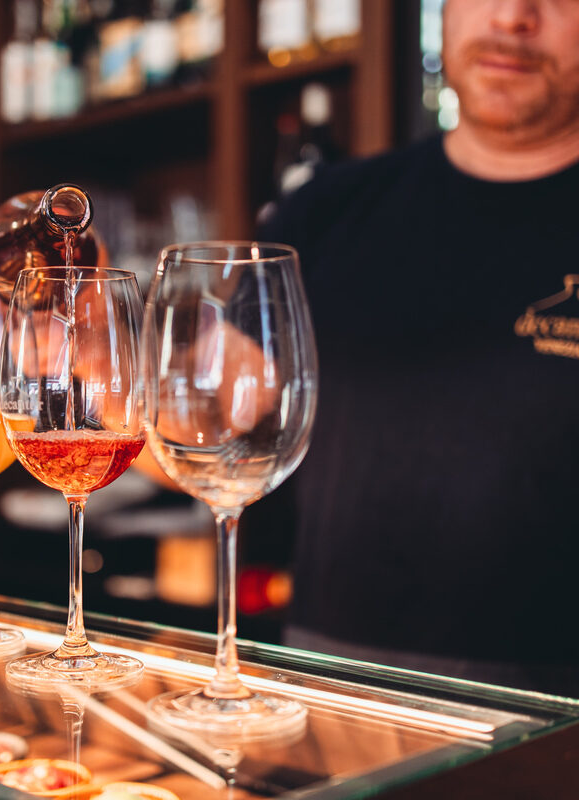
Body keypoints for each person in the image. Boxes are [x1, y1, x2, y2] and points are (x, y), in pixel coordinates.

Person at [256, 0, 579, 694]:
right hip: (326, 702)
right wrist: (97, 342)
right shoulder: (327, 210)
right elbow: (217, 420)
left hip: (557, 731)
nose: (516, 16)